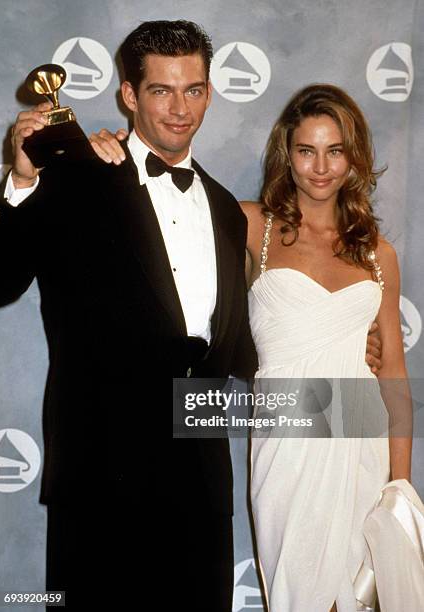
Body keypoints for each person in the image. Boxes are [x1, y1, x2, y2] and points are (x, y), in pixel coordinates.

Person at [0, 20, 258, 611]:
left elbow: (231, 347)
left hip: (199, 474)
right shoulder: (75, 177)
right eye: (161, 90)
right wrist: (20, 180)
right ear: (129, 95)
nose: (179, 108)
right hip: (101, 475)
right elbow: (0, 278)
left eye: (193, 89)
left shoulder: (224, 209)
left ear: (211, 93)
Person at [241, 84, 417, 611]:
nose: (320, 167)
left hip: (360, 440)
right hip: (285, 439)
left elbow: (394, 376)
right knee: (298, 594)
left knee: (359, 598)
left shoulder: (378, 253)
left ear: (353, 157)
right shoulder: (254, 228)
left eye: (335, 150)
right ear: (286, 155)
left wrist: (399, 487)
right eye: (306, 150)